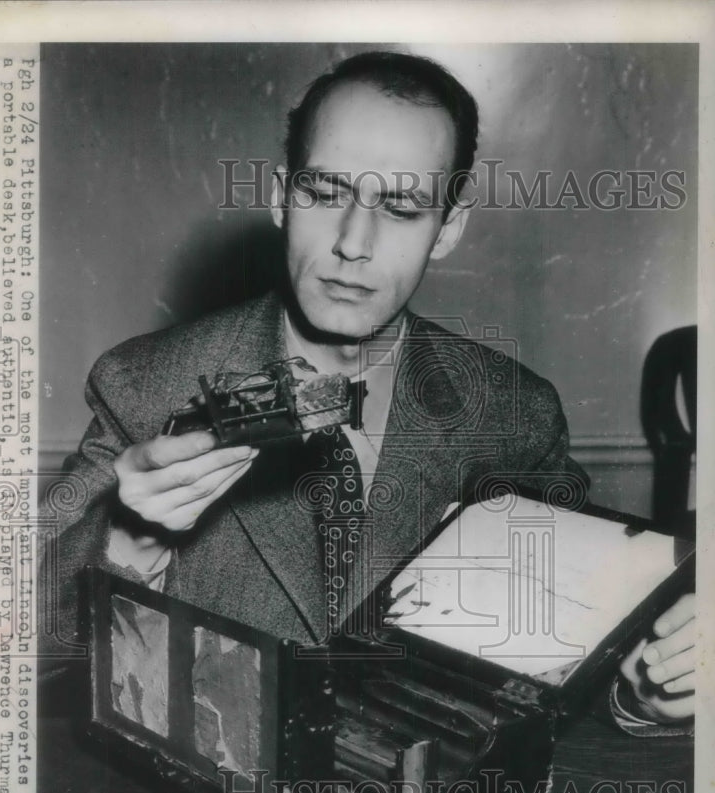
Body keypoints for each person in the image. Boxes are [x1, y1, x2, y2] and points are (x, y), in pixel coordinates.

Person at [45, 51, 694, 731]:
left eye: (402, 207)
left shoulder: (514, 413)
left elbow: (565, 667)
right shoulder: (141, 383)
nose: (353, 243)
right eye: (324, 194)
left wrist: (642, 694)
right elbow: (24, 659)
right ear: (277, 197)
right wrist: (131, 539)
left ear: (447, 229)